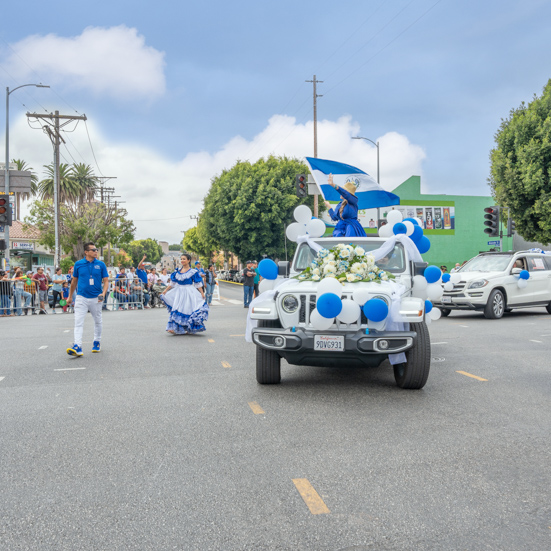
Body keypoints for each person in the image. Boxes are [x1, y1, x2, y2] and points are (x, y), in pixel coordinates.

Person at [66, 242, 109, 357]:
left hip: (96, 298)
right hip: (81, 297)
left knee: (97, 320)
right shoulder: (78, 264)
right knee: (78, 321)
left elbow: (106, 281)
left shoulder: (101, 264)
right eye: (93, 250)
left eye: (96, 250)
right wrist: (70, 296)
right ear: (86, 252)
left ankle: (97, 341)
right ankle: (77, 346)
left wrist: (103, 293)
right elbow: (74, 281)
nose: (96, 251)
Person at [160, 253, 208, 334]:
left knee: (187, 309)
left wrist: (202, 293)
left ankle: (188, 327)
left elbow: (198, 284)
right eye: (181, 259)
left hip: (189, 292)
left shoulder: (193, 272)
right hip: (179, 292)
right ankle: (174, 328)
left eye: (184, 259)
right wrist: (165, 290)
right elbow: (172, 283)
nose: (182, 260)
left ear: (188, 260)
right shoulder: (177, 271)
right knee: (177, 308)